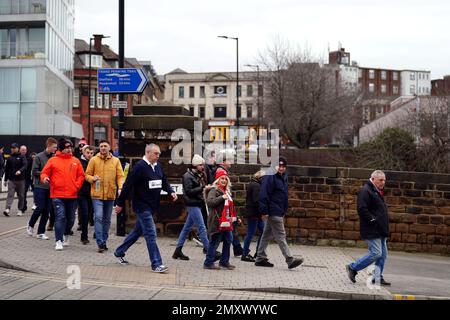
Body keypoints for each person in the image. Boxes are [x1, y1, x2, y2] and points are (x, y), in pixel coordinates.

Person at [114, 144, 177, 273]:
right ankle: (156, 264)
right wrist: (119, 203)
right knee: (151, 233)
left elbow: (163, 181)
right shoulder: (139, 167)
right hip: (142, 206)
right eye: (156, 154)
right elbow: (127, 185)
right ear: (148, 153)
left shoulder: (157, 166)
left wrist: (170, 191)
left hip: (152, 206)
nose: (158, 156)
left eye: (159, 154)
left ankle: (119, 251)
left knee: (137, 232)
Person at [255, 157, 304, 270]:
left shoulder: (282, 177)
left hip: (277, 210)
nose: (281, 168)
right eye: (279, 166)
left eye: (283, 166)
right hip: (273, 211)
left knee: (266, 234)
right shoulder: (270, 176)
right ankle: (289, 259)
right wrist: (264, 211)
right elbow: (263, 194)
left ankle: (260, 258)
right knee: (281, 235)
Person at [346, 170, 391, 286]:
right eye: (381, 180)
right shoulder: (365, 190)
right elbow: (362, 209)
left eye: (384, 180)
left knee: (383, 254)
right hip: (372, 229)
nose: (383, 182)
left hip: (380, 229)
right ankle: (352, 267)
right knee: (376, 253)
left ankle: (377, 277)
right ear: (373, 179)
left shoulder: (376, 191)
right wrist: (373, 220)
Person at [40, 138, 85, 251]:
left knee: (70, 219)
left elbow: (81, 175)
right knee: (60, 217)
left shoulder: (76, 161)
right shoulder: (53, 160)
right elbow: (44, 172)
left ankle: (66, 234)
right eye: (66, 148)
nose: (69, 149)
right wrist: (45, 178)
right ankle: (58, 240)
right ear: (61, 149)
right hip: (57, 194)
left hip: (72, 195)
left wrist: (77, 185)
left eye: (70, 147)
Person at [85, 140, 124, 253]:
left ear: (109, 147)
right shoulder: (93, 160)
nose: (103, 148)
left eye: (105, 146)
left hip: (110, 194)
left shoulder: (115, 161)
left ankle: (104, 240)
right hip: (96, 194)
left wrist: (121, 187)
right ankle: (100, 242)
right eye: (101, 146)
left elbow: (120, 176)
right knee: (98, 217)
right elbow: (86, 174)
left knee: (107, 220)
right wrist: (92, 179)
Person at [172, 155, 210, 260]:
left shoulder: (199, 174)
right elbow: (189, 191)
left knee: (186, 228)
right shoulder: (187, 176)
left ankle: (177, 251)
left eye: (203, 164)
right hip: (192, 203)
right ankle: (209, 250)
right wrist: (202, 187)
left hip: (197, 203)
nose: (203, 166)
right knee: (202, 227)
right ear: (195, 165)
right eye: (201, 165)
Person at [204, 169, 237, 270]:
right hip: (217, 221)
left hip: (226, 222)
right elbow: (210, 202)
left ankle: (224, 262)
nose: (224, 180)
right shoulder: (214, 190)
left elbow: (230, 208)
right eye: (222, 178)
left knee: (229, 240)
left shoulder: (227, 191)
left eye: (225, 179)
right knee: (215, 241)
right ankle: (208, 263)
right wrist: (222, 197)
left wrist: (236, 218)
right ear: (217, 179)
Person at [26, 138, 57, 240]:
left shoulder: (55, 157)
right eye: (54, 147)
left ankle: (41, 232)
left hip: (50, 187)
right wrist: (46, 174)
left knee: (47, 210)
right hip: (39, 186)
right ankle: (30, 225)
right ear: (48, 146)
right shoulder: (38, 157)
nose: (56, 149)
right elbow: (34, 171)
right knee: (40, 208)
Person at [241, 170, 266, 262]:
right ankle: (245, 254)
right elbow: (256, 200)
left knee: (262, 232)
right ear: (261, 178)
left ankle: (258, 252)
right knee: (250, 233)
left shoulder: (254, 184)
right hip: (254, 213)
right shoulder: (256, 185)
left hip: (255, 213)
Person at [3, 143, 27, 217]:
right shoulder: (10, 158)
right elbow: (6, 170)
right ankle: (7, 209)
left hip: (21, 180)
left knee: (21, 196)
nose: (12, 149)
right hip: (11, 180)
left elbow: (25, 165)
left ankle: (20, 210)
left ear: (17, 148)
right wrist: (5, 180)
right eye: (11, 148)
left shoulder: (22, 156)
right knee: (10, 194)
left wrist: (20, 171)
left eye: (14, 148)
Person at [77, 145, 95, 245]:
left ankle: (93, 233)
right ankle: (84, 236)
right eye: (87, 153)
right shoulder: (79, 162)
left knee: (91, 214)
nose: (89, 155)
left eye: (91, 153)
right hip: (82, 192)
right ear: (83, 152)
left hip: (93, 192)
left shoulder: (95, 161)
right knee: (84, 213)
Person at [19, 145, 32, 212]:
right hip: (19, 178)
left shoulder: (29, 158)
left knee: (24, 192)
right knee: (20, 193)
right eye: (22, 150)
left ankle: (23, 206)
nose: (23, 151)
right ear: (19, 150)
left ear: (26, 151)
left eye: (24, 150)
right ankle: (24, 204)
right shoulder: (17, 157)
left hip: (26, 178)